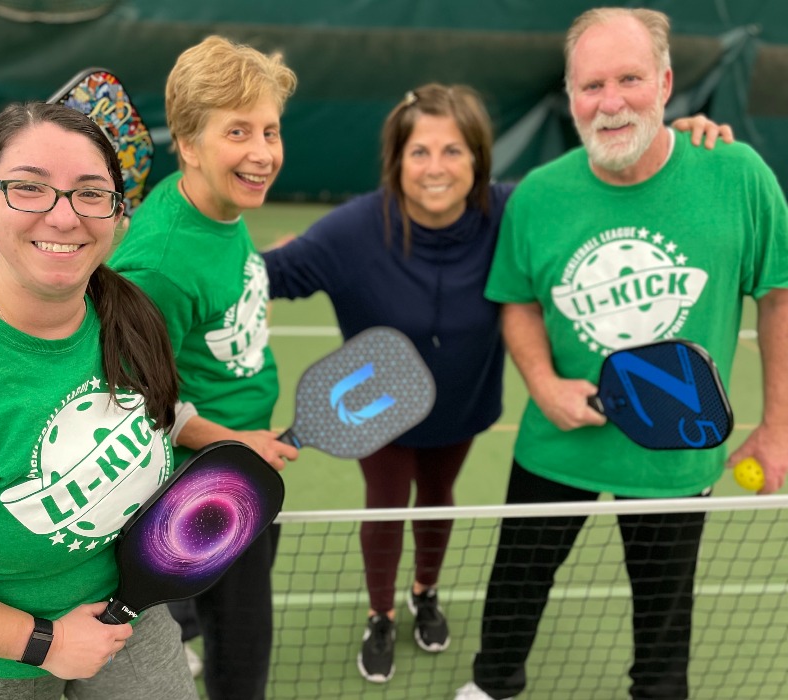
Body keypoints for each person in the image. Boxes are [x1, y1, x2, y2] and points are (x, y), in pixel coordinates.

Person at [261, 83, 731, 683]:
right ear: (396, 161)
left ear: (480, 159)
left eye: (454, 151)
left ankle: (423, 594)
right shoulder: (352, 231)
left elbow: (601, 181)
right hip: (372, 411)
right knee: (385, 509)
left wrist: (672, 141)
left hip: (461, 407)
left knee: (438, 501)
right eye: (420, 152)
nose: (436, 168)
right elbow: (259, 276)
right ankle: (381, 614)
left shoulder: (510, 210)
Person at [454, 7, 788, 700]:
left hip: (677, 445)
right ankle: (492, 683)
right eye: (591, 85)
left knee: (665, 612)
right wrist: (543, 383)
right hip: (560, 440)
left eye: (629, 79)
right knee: (517, 581)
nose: (610, 102)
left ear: (666, 83)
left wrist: (779, 424)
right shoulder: (540, 195)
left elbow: (778, 295)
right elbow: (515, 298)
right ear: (570, 98)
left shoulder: (737, 175)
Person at [108, 36, 299, 700]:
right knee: (244, 643)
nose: (261, 152)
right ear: (187, 144)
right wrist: (233, 442)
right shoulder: (159, 261)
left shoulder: (221, 203)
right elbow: (133, 400)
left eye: (269, 130)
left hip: (245, 447)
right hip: (206, 476)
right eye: (237, 131)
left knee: (199, 604)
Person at [0, 102, 197, 699]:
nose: (63, 216)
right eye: (29, 188)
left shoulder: (131, 315)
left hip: (130, 620)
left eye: (89, 193)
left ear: (116, 214)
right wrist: (41, 642)